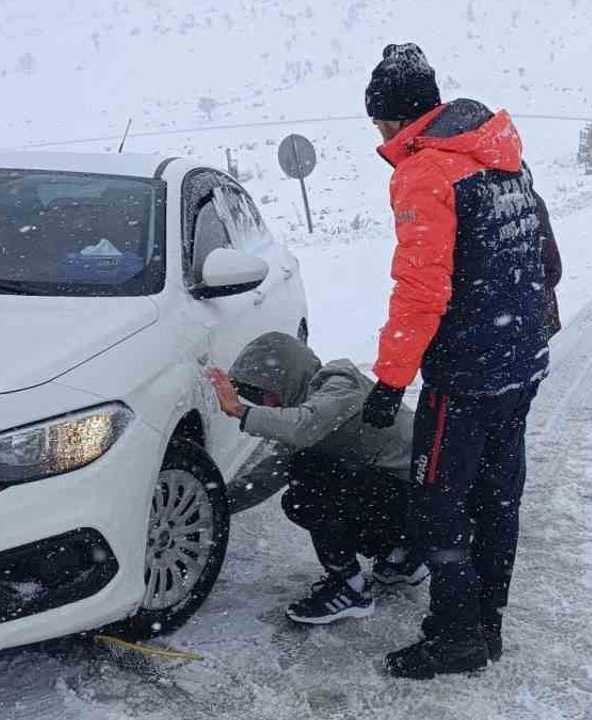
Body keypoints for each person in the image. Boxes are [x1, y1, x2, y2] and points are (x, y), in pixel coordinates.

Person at [358, 43, 559, 679]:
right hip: (519, 359)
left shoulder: (426, 171)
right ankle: (487, 624)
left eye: (379, 122)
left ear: (394, 117)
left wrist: (390, 380)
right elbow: (548, 261)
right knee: (498, 498)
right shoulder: (500, 155)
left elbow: (422, 287)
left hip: (467, 371)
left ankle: (455, 636)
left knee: (438, 501)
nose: (382, 134)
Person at [205, 332, 428, 625]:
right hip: (409, 504)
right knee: (307, 477)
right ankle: (400, 558)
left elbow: (303, 427)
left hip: (422, 506)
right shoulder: (313, 409)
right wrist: (209, 507)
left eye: (266, 394)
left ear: (285, 376)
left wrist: (241, 411)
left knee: (306, 480)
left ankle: (350, 589)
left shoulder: (339, 386)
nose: (268, 403)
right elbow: (265, 478)